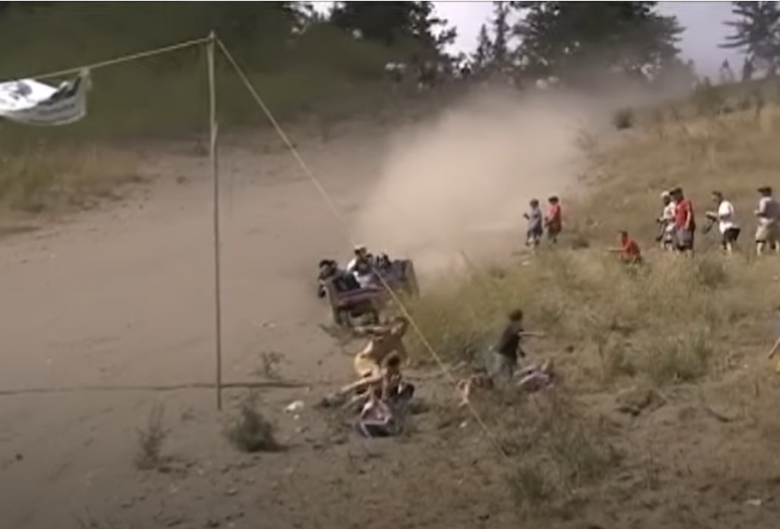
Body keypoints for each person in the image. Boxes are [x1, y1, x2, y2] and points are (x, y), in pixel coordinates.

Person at [490, 309, 543, 383]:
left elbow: (514, 341)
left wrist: (520, 350)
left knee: (512, 371)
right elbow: (521, 334)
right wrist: (536, 334)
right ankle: (484, 381)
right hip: (503, 352)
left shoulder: (516, 328)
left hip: (509, 354)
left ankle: (508, 385)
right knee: (498, 371)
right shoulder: (512, 327)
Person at [351, 316, 410, 380]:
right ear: (393, 326)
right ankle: (348, 389)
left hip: (374, 365)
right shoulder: (383, 332)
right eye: (398, 327)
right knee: (378, 377)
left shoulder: (398, 343)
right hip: (365, 359)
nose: (398, 330)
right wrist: (361, 329)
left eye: (402, 329)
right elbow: (370, 329)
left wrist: (408, 361)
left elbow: (404, 355)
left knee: (382, 380)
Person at [754, 186, 780, 256]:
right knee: (776, 241)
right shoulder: (775, 202)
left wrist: (757, 213)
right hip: (775, 223)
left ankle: (760, 255)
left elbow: (763, 211)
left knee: (761, 240)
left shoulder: (764, 201)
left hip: (765, 223)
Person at [671, 187, 695, 254]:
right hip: (678, 227)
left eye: (675, 194)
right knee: (679, 246)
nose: (674, 196)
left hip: (684, 226)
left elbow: (689, 212)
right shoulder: (676, 204)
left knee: (687, 245)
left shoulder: (685, 202)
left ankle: (690, 259)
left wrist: (687, 222)